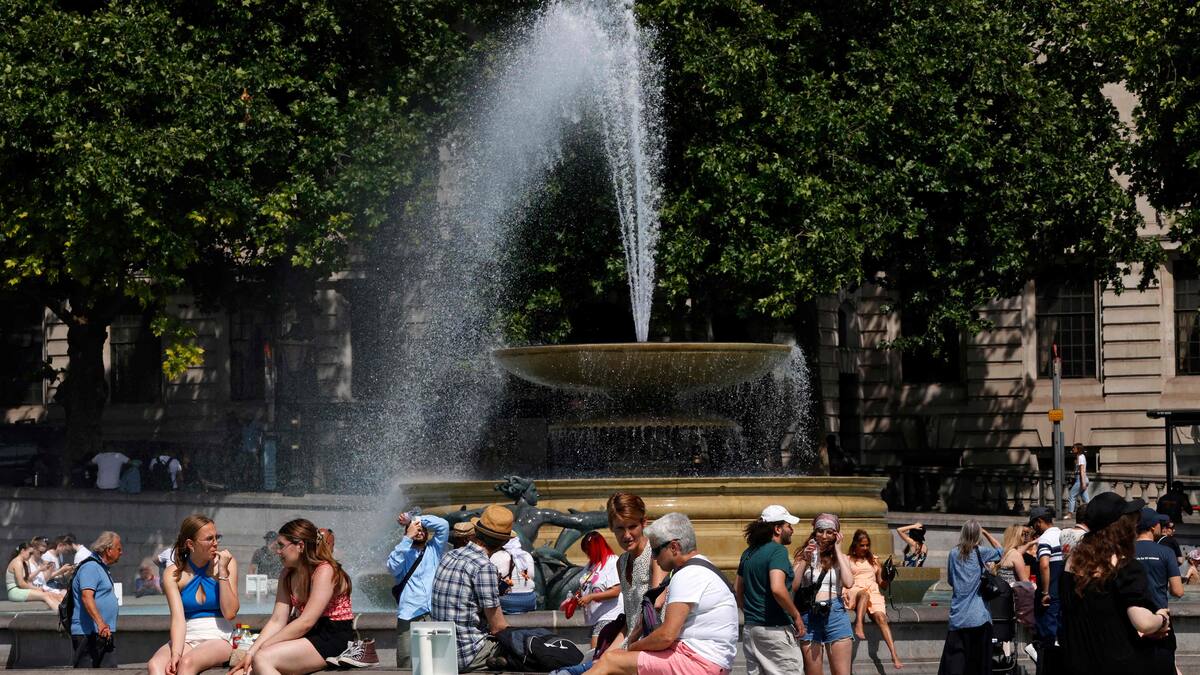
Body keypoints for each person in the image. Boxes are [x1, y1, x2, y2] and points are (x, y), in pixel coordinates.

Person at [589, 512, 738, 675]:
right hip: (707, 658)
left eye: (656, 550)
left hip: (698, 662)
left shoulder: (688, 574)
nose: (653, 557)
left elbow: (666, 635)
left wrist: (632, 647)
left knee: (611, 661)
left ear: (674, 547)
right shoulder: (703, 566)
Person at [229, 519, 370, 675]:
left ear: (300, 546)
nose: (278, 551)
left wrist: (263, 647)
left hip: (331, 637)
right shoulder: (287, 574)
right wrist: (250, 652)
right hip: (306, 637)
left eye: (281, 545)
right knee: (240, 673)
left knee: (263, 658)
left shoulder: (325, 571)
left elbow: (306, 621)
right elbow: (277, 620)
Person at [1058, 492, 1171, 675]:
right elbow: (1143, 622)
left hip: (1076, 663)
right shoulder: (1125, 566)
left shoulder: (1069, 564)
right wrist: (1162, 619)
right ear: (1122, 529)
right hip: (1117, 663)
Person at [148, 515, 239, 675]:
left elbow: (230, 613)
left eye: (216, 537)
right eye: (209, 539)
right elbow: (177, 619)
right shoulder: (173, 573)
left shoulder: (227, 563)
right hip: (187, 636)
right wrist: (175, 653)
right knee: (155, 665)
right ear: (190, 544)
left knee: (187, 663)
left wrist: (223, 572)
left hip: (218, 636)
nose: (215, 543)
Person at [430, 504, 512, 672]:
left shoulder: (448, 556)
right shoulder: (484, 567)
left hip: (439, 650)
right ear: (504, 541)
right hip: (467, 654)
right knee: (527, 650)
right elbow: (498, 626)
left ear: (476, 532)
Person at [735, 505, 806, 675]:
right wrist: (796, 616)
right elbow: (777, 588)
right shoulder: (777, 551)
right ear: (777, 529)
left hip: (751, 630)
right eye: (789, 526)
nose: (792, 530)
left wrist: (752, 612)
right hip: (775, 629)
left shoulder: (748, 552)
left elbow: (737, 589)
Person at [793, 513, 854, 675]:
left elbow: (849, 583)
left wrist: (838, 550)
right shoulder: (803, 554)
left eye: (830, 532)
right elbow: (793, 586)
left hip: (835, 614)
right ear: (814, 532)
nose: (824, 536)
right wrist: (805, 560)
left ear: (836, 535)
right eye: (820, 531)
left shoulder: (842, 558)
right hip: (809, 615)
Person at [937, 519, 1001, 675]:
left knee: (955, 662)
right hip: (979, 616)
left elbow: (951, 580)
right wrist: (986, 533)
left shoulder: (953, 553)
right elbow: (1001, 551)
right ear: (978, 535)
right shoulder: (982, 551)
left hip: (958, 616)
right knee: (979, 665)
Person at [387, 510, 449, 668]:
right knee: (406, 662)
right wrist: (408, 537)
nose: (419, 531)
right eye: (416, 529)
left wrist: (415, 519)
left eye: (422, 529)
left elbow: (443, 525)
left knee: (437, 664)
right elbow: (393, 568)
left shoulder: (434, 549)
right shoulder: (402, 552)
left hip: (433, 612)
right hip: (409, 614)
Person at [608, 492, 668, 647]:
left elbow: (655, 605)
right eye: (620, 528)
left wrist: (627, 647)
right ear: (611, 528)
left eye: (632, 527)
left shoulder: (656, 555)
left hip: (653, 644)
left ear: (644, 522)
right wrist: (608, 654)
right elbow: (631, 619)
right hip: (633, 644)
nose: (627, 535)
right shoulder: (621, 562)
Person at [844, 529, 904, 670]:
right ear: (855, 545)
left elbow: (882, 584)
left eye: (867, 545)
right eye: (862, 545)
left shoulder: (874, 560)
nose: (865, 548)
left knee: (882, 618)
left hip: (873, 592)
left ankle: (894, 655)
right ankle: (859, 624)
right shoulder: (847, 559)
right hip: (855, 589)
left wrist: (888, 577)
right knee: (864, 594)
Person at [1134, 507, 1182, 673]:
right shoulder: (1166, 552)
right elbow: (1178, 591)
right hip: (1160, 621)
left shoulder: (1124, 552)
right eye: (1160, 523)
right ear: (1153, 527)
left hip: (1133, 622)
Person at [71, 531, 123, 667]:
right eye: (119, 549)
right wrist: (100, 623)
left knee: (110, 669)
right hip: (89, 633)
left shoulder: (101, 568)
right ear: (108, 550)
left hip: (103, 632)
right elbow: (86, 597)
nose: (121, 552)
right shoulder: (91, 567)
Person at [572, 531, 621, 648]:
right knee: (595, 653)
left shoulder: (612, 562)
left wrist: (591, 597)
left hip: (610, 615)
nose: (587, 554)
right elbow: (585, 586)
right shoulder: (591, 564)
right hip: (595, 617)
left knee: (595, 651)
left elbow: (616, 591)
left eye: (588, 551)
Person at [1028, 505, 1062, 661]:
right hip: (1063, 593)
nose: (1033, 528)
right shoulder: (1062, 535)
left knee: (1046, 640)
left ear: (1039, 522)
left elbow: (1044, 564)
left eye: (1033, 524)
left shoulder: (1045, 539)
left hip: (1050, 597)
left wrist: (1045, 592)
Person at [6, 543, 63, 610]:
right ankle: (61, 614)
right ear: (22, 551)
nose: (30, 556)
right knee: (46, 595)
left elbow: (27, 581)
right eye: (30, 553)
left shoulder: (23, 562)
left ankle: (65, 612)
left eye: (32, 553)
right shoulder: (17, 562)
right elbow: (21, 584)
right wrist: (36, 588)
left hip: (20, 590)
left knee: (52, 594)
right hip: (15, 592)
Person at [494, 536, 537, 615]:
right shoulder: (526, 555)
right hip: (529, 600)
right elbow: (532, 576)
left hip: (507, 601)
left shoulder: (496, 556)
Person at [1066, 443, 1090, 519]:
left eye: (1074, 448)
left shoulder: (1081, 457)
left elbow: (1082, 471)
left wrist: (1082, 483)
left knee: (1071, 496)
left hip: (1080, 479)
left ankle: (1069, 514)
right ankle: (1092, 512)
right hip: (1080, 479)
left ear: (1078, 449)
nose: (1072, 449)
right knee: (1085, 499)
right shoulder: (1079, 457)